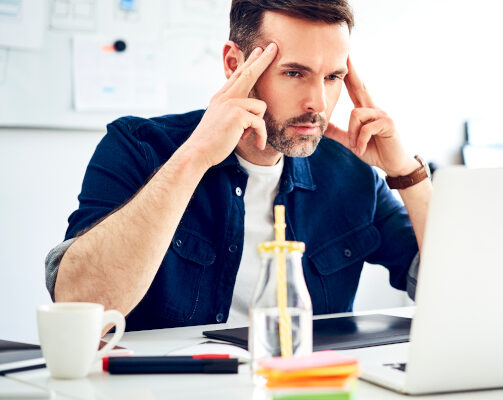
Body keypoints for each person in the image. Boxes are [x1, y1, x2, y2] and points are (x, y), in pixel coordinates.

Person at [44, 0, 432, 331]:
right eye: (294, 73)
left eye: (332, 77)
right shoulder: (138, 147)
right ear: (234, 63)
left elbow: (455, 291)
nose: (317, 101)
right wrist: (194, 158)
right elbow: (80, 308)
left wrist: (407, 175)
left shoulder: (351, 174)